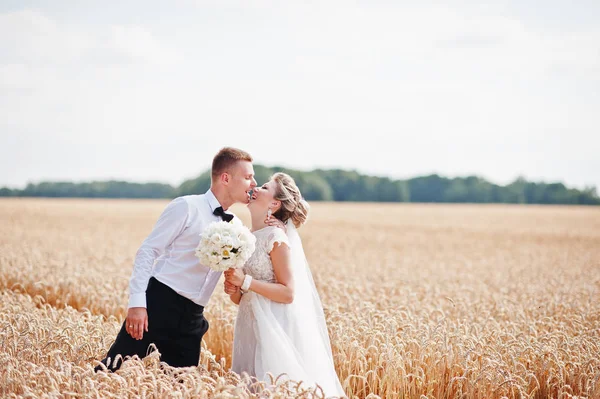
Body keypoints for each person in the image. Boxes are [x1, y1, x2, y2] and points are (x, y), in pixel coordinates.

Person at [95, 147, 261, 372]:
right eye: (248, 177)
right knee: (109, 374)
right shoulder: (186, 207)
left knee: (181, 388)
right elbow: (148, 251)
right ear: (225, 178)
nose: (253, 183)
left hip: (193, 319)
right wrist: (137, 303)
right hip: (158, 305)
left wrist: (234, 281)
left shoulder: (236, 228)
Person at [224, 172, 345, 397]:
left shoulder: (276, 237)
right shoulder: (248, 236)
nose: (256, 188)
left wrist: (246, 281)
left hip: (273, 325)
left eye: (264, 187)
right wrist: (234, 288)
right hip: (249, 325)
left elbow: (288, 293)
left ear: (274, 203)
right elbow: (242, 297)